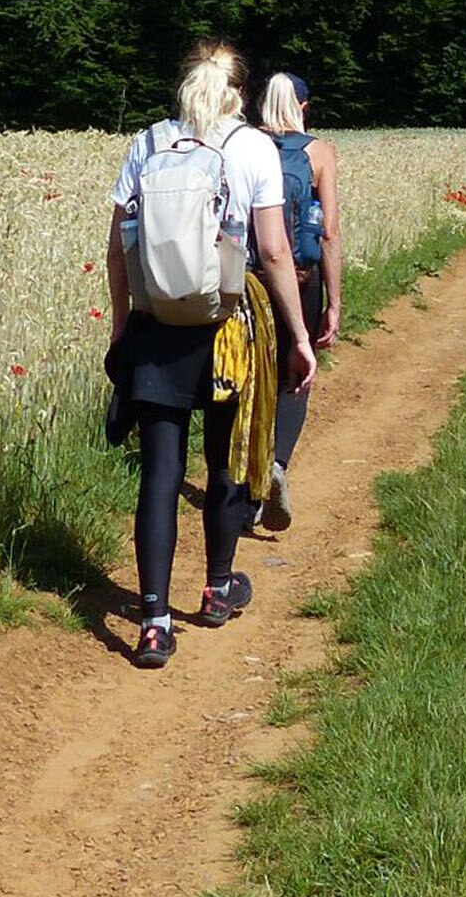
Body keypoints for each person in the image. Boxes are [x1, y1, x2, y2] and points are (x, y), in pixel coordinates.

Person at [106, 41, 317, 670]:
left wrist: (122, 331)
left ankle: (153, 622)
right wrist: (298, 335)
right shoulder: (252, 147)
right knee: (224, 460)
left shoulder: (149, 141)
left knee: (160, 473)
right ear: (240, 93)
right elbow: (275, 252)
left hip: (156, 323)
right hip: (229, 324)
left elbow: (119, 245)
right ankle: (218, 589)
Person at [254, 71, 343, 533]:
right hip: (300, 279)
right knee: (295, 374)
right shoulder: (319, 152)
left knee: (252, 377)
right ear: (304, 106)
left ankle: (242, 478)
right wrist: (333, 302)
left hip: (248, 280)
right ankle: (278, 466)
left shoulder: (243, 145)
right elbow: (328, 232)